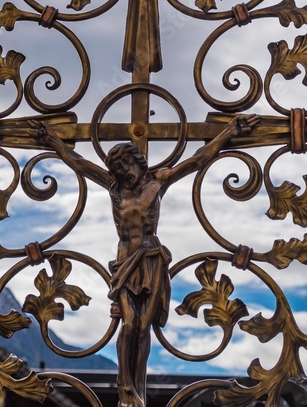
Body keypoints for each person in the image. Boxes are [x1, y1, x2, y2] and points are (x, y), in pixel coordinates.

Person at [29, 114, 259, 406]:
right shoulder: (115, 187)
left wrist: (227, 133)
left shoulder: (157, 180)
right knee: (130, 322)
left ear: (137, 160)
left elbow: (198, 160)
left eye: (126, 163)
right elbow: (78, 163)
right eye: (117, 166)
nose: (123, 170)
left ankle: (137, 388)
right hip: (125, 261)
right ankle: (124, 384)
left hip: (151, 260)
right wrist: (51, 140)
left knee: (143, 326)